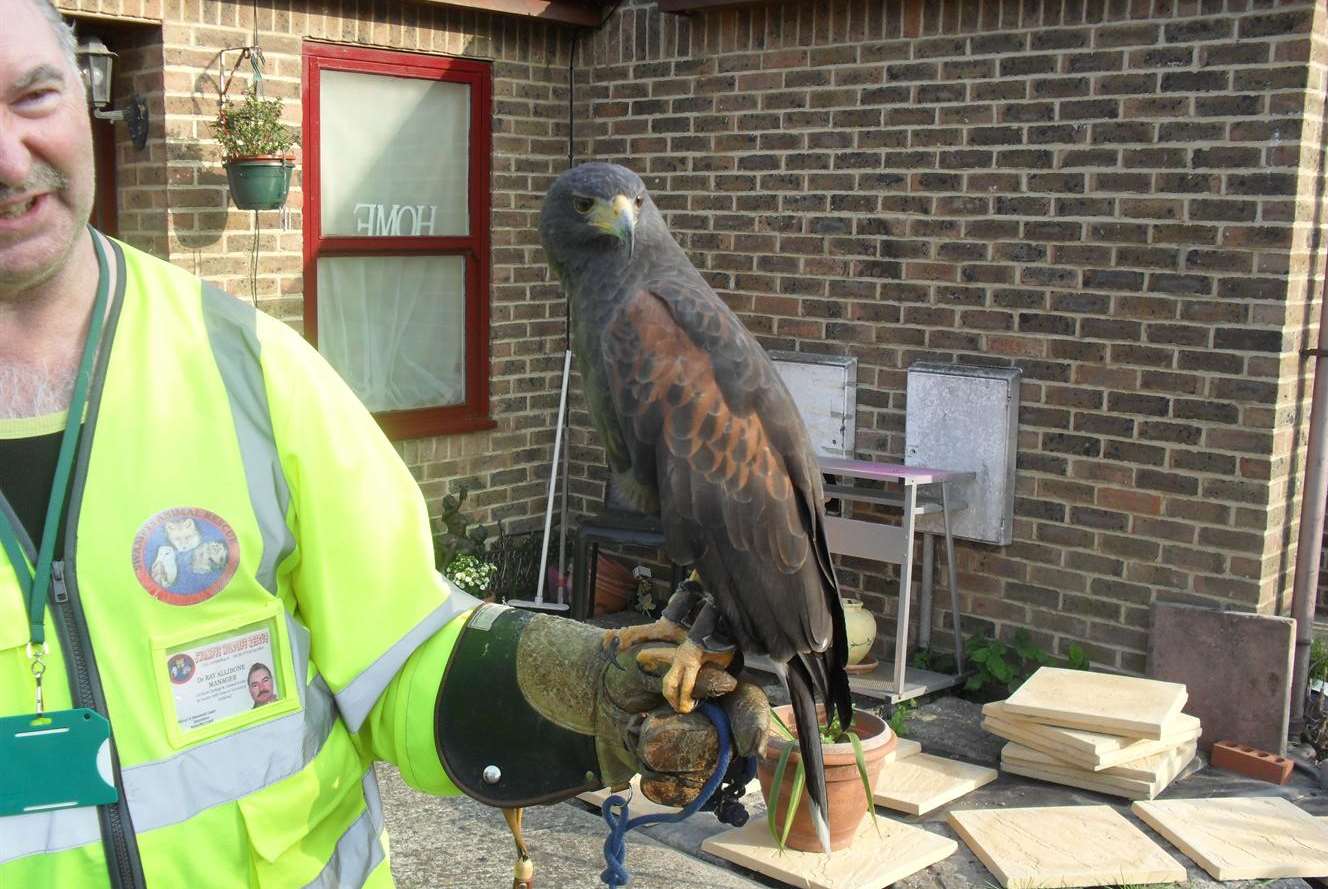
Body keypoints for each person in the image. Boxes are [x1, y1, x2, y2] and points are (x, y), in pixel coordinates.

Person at [0, 1, 767, 886]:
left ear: (81, 101)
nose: (9, 156)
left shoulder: (249, 368)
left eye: (34, 97)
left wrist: (587, 697)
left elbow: (401, 651)